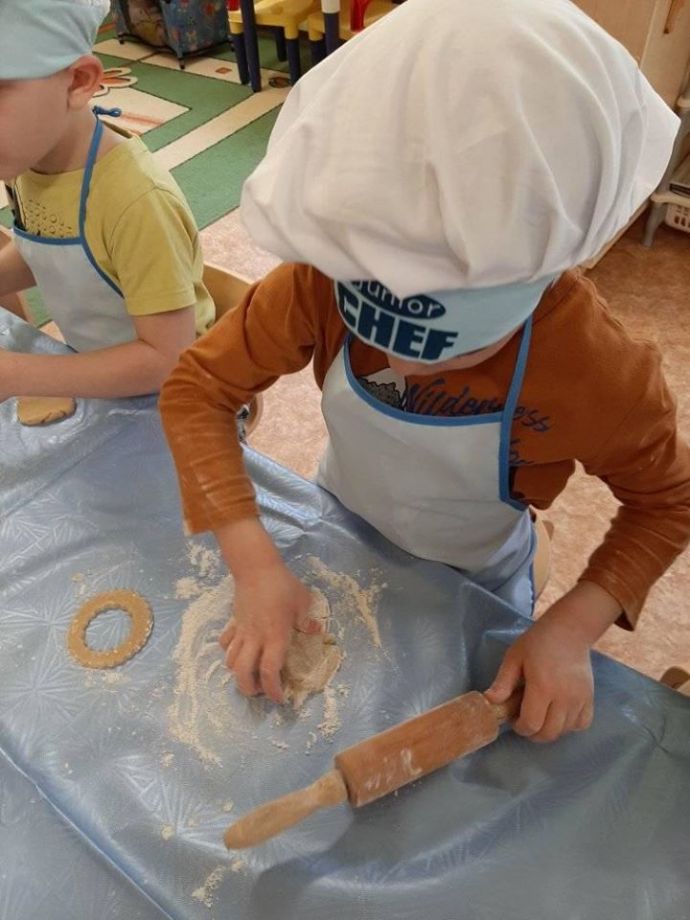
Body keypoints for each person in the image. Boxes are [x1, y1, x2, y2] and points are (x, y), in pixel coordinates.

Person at [159, 0, 690, 743]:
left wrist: (573, 627)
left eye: (455, 346)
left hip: (475, 574)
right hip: (342, 521)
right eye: (372, 326)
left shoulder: (594, 369)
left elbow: (668, 502)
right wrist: (252, 563)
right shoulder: (319, 278)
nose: (403, 365)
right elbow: (197, 392)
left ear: (540, 272)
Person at [0, 0, 214, 400]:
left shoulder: (137, 202)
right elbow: (44, 250)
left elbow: (167, 359)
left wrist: (15, 375)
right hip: (100, 372)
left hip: (180, 396)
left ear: (78, 82)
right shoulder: (27, 162)